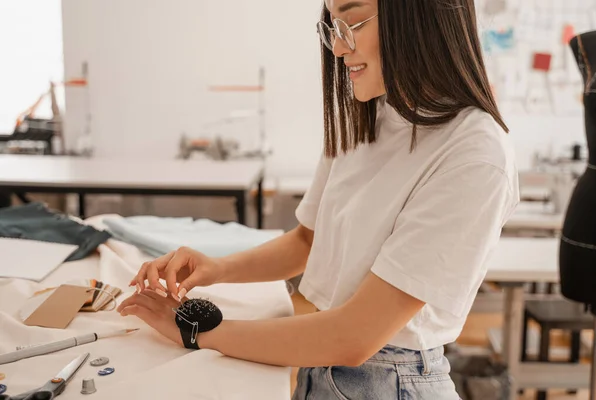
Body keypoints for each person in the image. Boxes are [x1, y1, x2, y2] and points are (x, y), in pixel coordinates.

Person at [116, 0, 520, 398]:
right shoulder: (366, 115)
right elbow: (307, 242)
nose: (340, 48)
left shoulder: (474, 152)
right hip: (321, 369)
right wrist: (216, 268)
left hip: (391, 381)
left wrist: (197, 333)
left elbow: (354, 336)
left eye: (355, 22)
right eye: (332, 28)